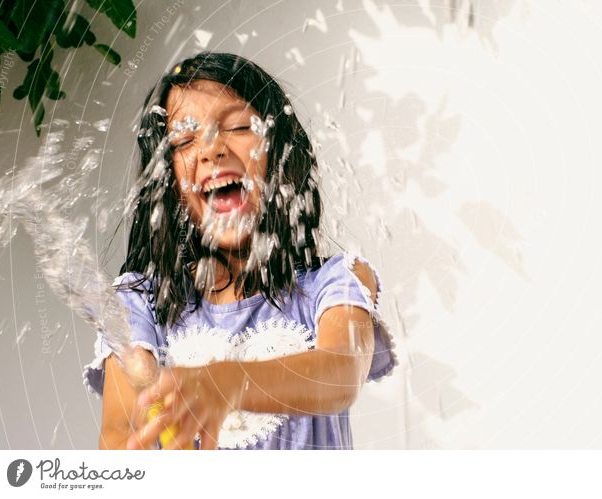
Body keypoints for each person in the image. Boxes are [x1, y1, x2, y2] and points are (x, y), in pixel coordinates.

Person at [83, 52, 396, 450]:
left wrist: (226, 382)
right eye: (183, 139)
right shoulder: (145, 306)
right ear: (168, 185)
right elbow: (118, 441)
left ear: (279, 154)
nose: (211, 148)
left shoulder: (333, 284)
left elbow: (341, 372)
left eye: (237, 126)